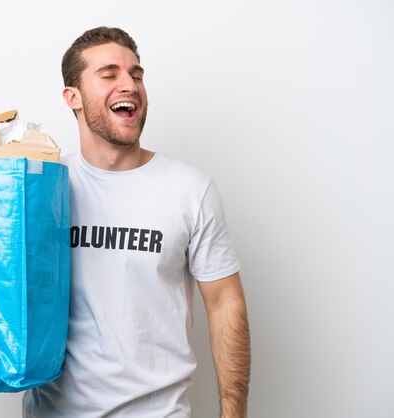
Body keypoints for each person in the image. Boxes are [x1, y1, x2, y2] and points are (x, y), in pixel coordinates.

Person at [22, 26, 251, 418]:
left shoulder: (189, 189)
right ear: (72, 97)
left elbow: (225, 302)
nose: (129, 84)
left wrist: (234, 412)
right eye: (109, 75)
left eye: (137, 75)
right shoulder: (40, 188)